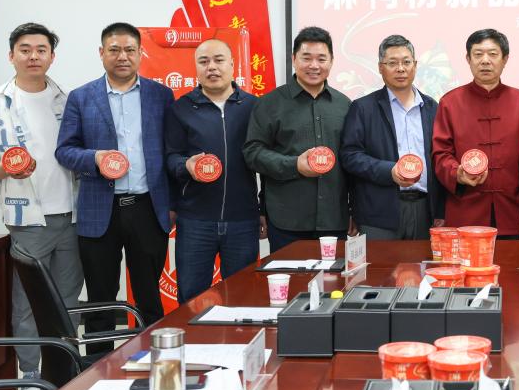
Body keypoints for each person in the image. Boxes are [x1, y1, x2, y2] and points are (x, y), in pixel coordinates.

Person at [0, 23, 83, 390]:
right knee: (28, 303)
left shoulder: (67, 100)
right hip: (27, 220)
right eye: (25, 49)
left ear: (52, 56)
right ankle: (30, 377)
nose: (33, 56)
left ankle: (64, 371)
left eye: (41, 49)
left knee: (68, 300)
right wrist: (7, 168)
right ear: (11, 55)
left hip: (73, 216)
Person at [55, 22, 174, 354]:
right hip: (99, 211)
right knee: (101, 298)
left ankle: (154, 364)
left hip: (147, 208)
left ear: (140, 53)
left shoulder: (160, 96)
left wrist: (173, 205)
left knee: (149, 296)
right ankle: (97, 369)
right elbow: (64, 150)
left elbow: (171, 151)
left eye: (130, 50)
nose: (123, 56)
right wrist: (95, 158)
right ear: (101, 53)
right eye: (115, 50)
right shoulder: (81, 97)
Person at [164, 39, 263, 303]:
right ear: (196, 67)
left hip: (243, 220)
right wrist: (186, 165)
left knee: (242, 297)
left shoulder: (254, 107)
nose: (212, 67)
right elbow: (170, 157)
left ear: (232, 64)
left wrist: (264, 209)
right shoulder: (181, 108)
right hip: (195, 221)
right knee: (192, 300)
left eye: (219, 60)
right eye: (204, 61)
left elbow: (264, 161)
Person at [244, 27, 352, 252]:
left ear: (332, 61)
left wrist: (355, 210)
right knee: (288, 275)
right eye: (306, 58)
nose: (314, 65)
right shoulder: (270, 103)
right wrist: (295, 165)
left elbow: (352, 159)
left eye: (321, 59)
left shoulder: (345, 105)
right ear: (294, 59)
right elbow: (253, 152)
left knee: (334, 276)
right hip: (286, 220)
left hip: (334, 219)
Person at [432, 29, 519, 239]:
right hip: (465, 211)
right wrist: (458, 173)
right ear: (468, 59)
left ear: (505, 59)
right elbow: (440, 154)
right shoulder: (449, 103)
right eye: (478, 54)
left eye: (493, 54)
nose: (485, 60)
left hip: (513, 212)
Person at [340, 35, 444, 240]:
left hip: (425, 210)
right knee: (381, 262)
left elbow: (440, 158)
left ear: (415, 65)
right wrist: (389, 170)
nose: (401, 69)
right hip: (379, 211)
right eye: (392, 63)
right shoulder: (363, 107)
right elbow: (350, 156)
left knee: (422, 262)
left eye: (406, 62)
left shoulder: (432, 107)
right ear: (381, 67)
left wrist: (440, 210)